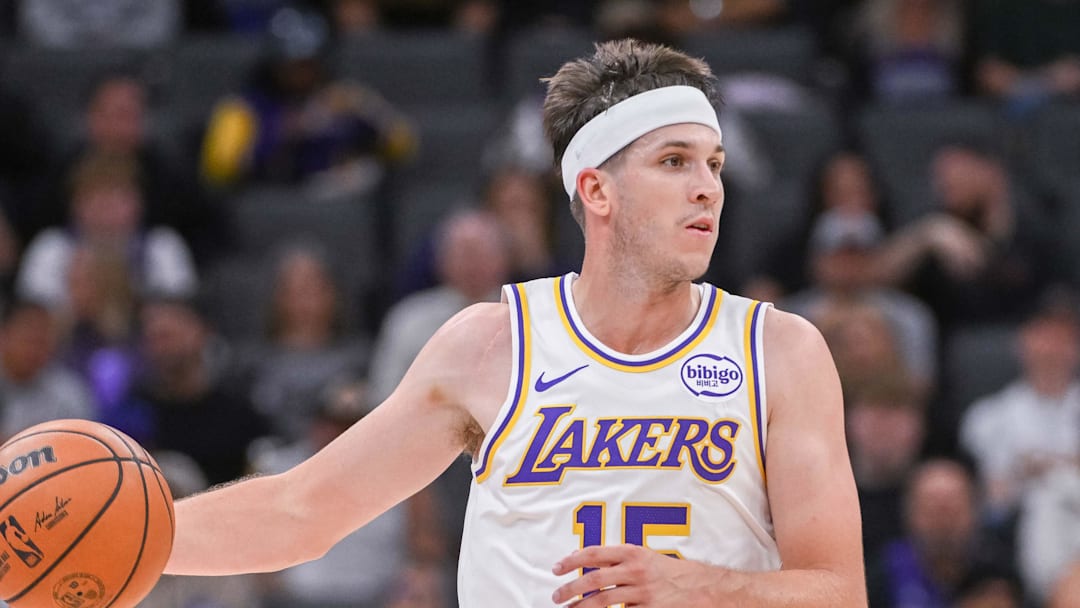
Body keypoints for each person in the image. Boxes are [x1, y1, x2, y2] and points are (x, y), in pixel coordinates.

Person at [164, 38, 866, 606]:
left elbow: (840, 593)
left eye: (712, 163)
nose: (707, 184)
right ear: (596, 190)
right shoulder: (490, 346)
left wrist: (703, 588)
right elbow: (303, 512)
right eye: (674, 161)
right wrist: (135, 539)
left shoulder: (779, 351)